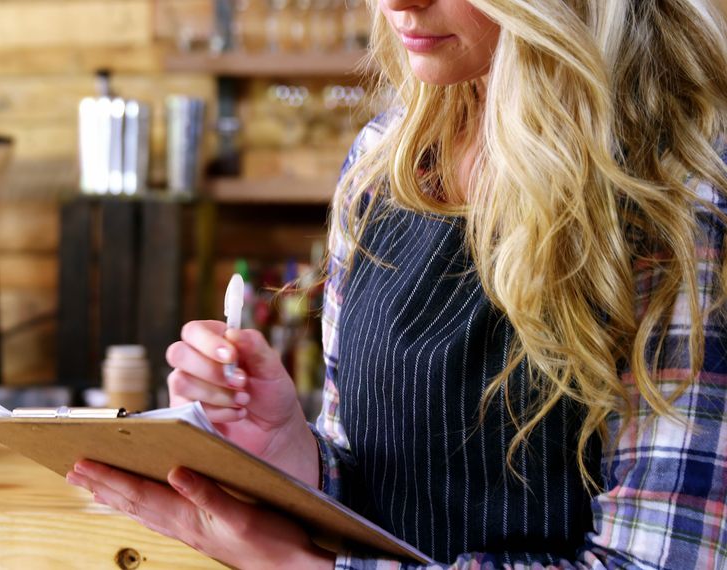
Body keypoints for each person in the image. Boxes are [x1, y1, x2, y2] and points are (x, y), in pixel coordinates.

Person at [66, 0, 727, 567]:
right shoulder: (385, 162)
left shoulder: (682, 203)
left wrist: (290, 562)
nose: (399, 2)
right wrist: (292, 457)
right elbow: (378, 495)